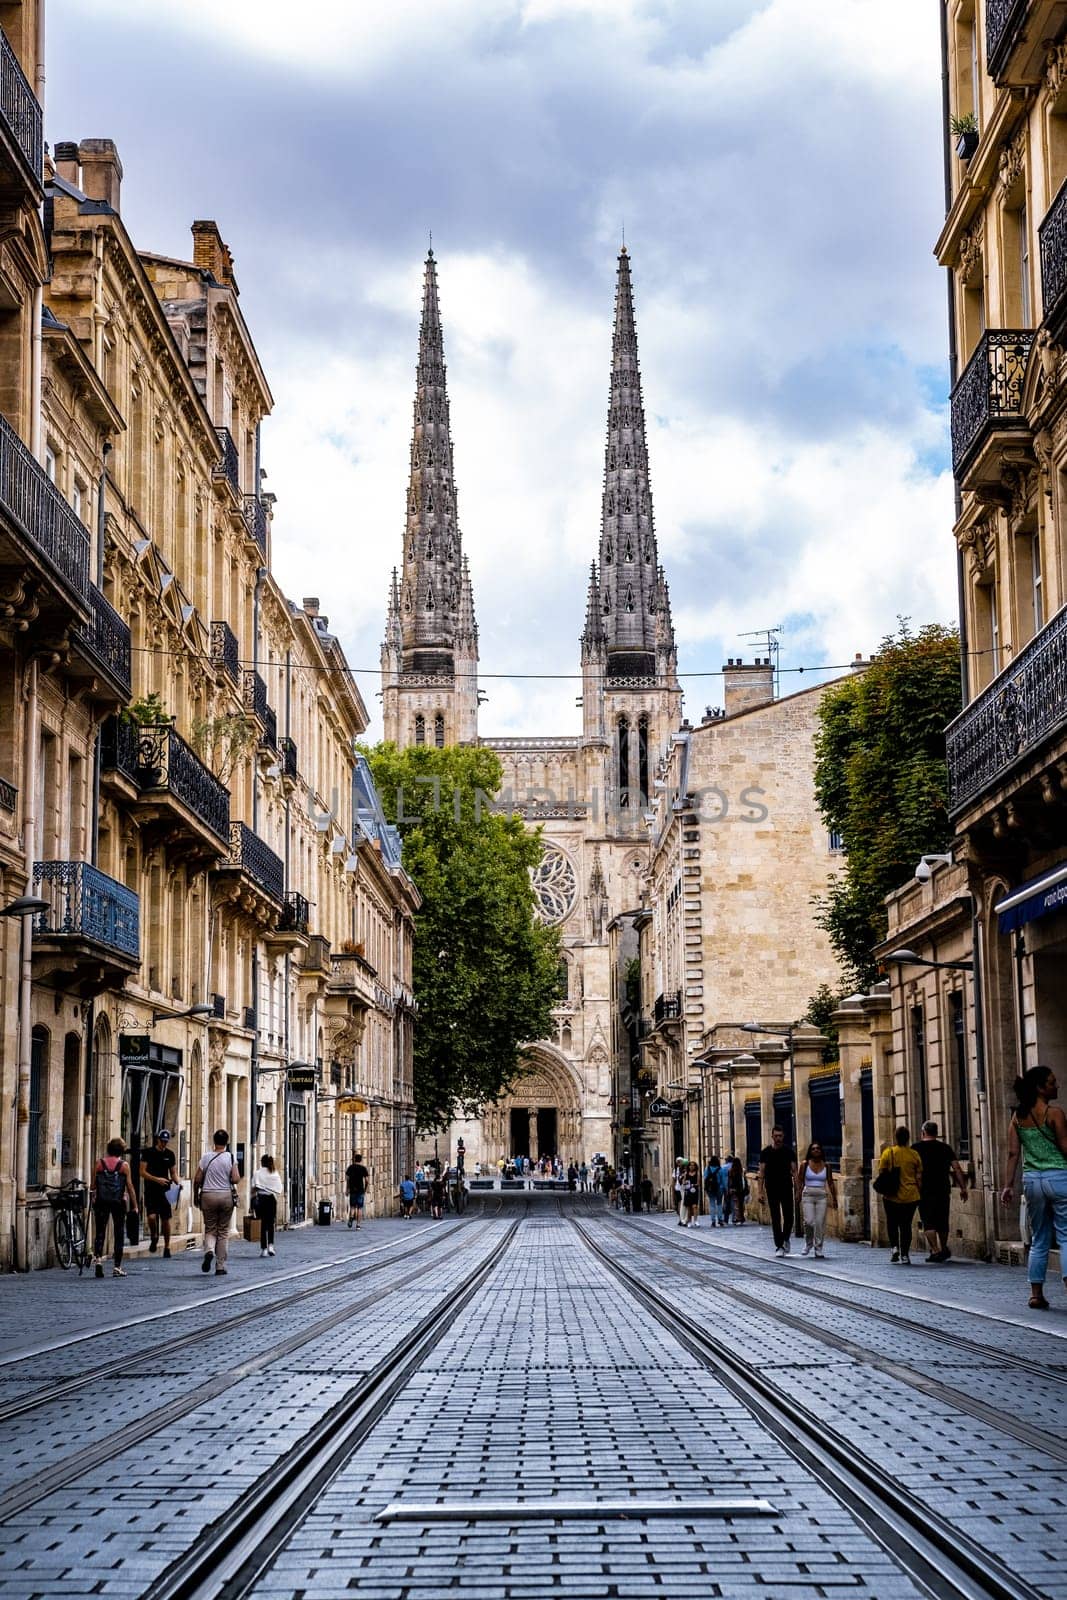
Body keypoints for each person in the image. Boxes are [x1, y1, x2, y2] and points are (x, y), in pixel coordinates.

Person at [1000, 1065, 1067, 1310]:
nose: (1056, 1085)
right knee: (1066, 1234)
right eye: (1052, 1082)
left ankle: (1036, 1293)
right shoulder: (1055, 1113)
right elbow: (1065, 1146)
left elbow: (1012, 1153)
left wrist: (1008, 1185)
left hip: (1032, 1181)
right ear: (1040, 1088)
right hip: (1059, 1177)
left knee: (1039, 1237)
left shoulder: (1018, 1116)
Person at [914, 1120, 968, 1263]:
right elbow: (957, 1168)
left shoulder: (915, 1148)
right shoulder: (945, 1148)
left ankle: (935, 1250)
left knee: (928, 1221)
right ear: (936, 1133)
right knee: (942, 1220)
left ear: (923, 1132)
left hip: (924, 1189)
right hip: (943, 1188)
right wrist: (963, 1188)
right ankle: (943, 1248)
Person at [193, 1129, 239, 1276]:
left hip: (208, 1195)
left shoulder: (206, 1158)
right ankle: (220, 1265)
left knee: (210, 1228)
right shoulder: (230, 1158)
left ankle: (209, 1250)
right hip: (225, 1196)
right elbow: (236, 1178)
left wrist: (196, 1195)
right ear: (226, 1142)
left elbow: (198, 1179)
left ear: (214, 1141)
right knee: (223, 1231)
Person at [90, 1137, 137, 1279]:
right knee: (119, 1233)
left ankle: (98, 1260)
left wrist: (93, 1198)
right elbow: (130, 1187)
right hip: (118, 1202)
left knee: (100, 1231)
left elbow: (93, 1186)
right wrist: (134, 1206)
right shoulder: (124, 1165)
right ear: (122, 1151)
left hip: (102, 1201)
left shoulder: (99, 1163)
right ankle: (117, 1266)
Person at [877, 1125, 923, 1265]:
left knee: (892, 1222)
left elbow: (882, 1172)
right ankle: (905, 1255)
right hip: (910, 1195)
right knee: (906, 1225)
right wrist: (919, 1192)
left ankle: (894, 1248)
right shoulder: (914, 1154)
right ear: (908, 1138)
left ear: (895, 1138)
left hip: (892, 1195)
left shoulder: (888, 1152)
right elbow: (919, 1177)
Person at [758, 1126, 797, 1255]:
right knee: (775, 1217)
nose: (778, 1138)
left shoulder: (789, 1152)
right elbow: (762, 1173)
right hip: (772, 1188)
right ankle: (779, 1245)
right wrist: (760, 1192)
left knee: (789, 1216)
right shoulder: (765, 1153)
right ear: (772, 1136)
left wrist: (797, 1189)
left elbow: (795, 1171)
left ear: (783, 1136)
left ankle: (785, 1237)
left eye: (780, 1136)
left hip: (786, 1187)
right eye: (776, 1136)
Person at [796, 1142, 838, 1258]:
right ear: (810, 1151)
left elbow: (830, 1182)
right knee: (809, 1222)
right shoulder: (805, 1165)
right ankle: (808, 1242)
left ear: (821, 1151)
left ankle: (818, 1248)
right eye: (813, 1149)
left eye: (818, 1148)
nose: (816, 1150)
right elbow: (800, 1181)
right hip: (808, 1194)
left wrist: (834, 1198)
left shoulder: (827, 1166)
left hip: (821, 1196)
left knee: (819, 1223)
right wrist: (798, 1194)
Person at [140, 1128, 176, 1258]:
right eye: (162, 1141)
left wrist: (178, 1182)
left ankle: (167, 1246)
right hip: (151, 1189)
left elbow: (173, 1172)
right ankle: (154, 1235)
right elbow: (142, 1172)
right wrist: (157, 1179)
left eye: (166, 1141)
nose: (164, 1144)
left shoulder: (170, 1154)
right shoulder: (148, 1153)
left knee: (166, 1219)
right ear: (157, 1140)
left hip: (164, 1190)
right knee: (151, 1217)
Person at [252, 1153, 283, 1257]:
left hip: (261, 1199)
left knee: (262, 1224)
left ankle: (264, 1248)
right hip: (271, 1199)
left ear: (262, 1162)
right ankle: (271, 1246)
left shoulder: (258, 1173)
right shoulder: (274, 1173)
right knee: (270, 1224)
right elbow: (279, 1188)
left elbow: (254, 1188)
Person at [346, 1152, 369, 1229]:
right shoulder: (363, 1168)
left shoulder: (350, 1167)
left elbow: (347, 1179)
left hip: (353, 1189)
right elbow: (367, 1180)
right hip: (360, 1190)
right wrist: (365, 1189)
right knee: (359, 1208)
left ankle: (351, 1217)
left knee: (352, 1206)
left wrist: (347, 1189)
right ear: (361, 1160)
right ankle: (358, 1225)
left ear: (354, 1159)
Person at [726, 1156, 747, 1224]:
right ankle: (741, 1218)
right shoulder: (742, 1170)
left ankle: (736, 1218)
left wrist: (729, 1189)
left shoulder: (731, 1171)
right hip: (741, 1189)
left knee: (735, 1204)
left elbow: (730, 1181)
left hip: (734, 1189)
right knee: (741, 1204)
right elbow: (745, 1180)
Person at [703, 1157, 723, 1227]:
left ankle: (713, 1220)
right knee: (719, 1204)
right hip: (719, 1188)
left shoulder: (707, 1169)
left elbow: (705, 1178)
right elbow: (722, 1180)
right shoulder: (720, 1169)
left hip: (710, 1188)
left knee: (712, 1204)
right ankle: (720, 1219)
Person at [683, 1162, 700, 1226]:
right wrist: (685, 1183)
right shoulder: (686, 1174)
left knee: (695, 1206)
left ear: (695, 1167)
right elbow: (683, 1182)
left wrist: (692, 1185)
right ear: (688, 1166)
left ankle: (696, 1221)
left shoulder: (697, 1174)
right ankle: (689, 1221)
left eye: (693, 1165)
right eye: (690, 1165)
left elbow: (698, 1183)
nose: (692, 1167)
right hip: (688, 1192)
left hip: (694, 1191)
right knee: (689, 1207)